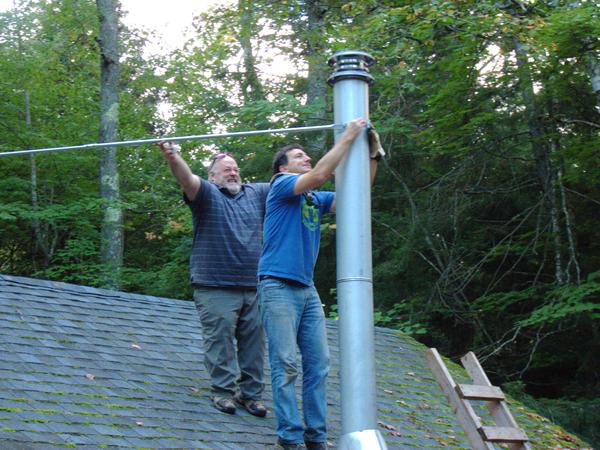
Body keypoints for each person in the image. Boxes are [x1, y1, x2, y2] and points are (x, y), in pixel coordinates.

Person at [257, 118, 381, 450]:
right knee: (285, 363)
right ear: (283, 167)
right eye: (300, 156)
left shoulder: (313, 199)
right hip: (277, 286)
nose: (307, 160)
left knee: (319, 365)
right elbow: (322, 173)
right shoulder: (281, 185)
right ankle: (290, 436)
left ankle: (316, 437)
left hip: (306, 289)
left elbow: (356, 197)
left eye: (307, 156)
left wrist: (372, 156)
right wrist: (349, 135)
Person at [159, 142, 269, 417]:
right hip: (214, 285)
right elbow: (186, 178)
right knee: (219, 342)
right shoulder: (207, 194)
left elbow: (289, 184)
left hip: (254, 286)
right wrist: (174, 156)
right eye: (225, 170)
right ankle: (223, 392)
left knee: (254, 345)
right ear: (212, 176)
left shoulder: (256, 193)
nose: (233, 173)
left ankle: (251, 395)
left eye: (235, 169)